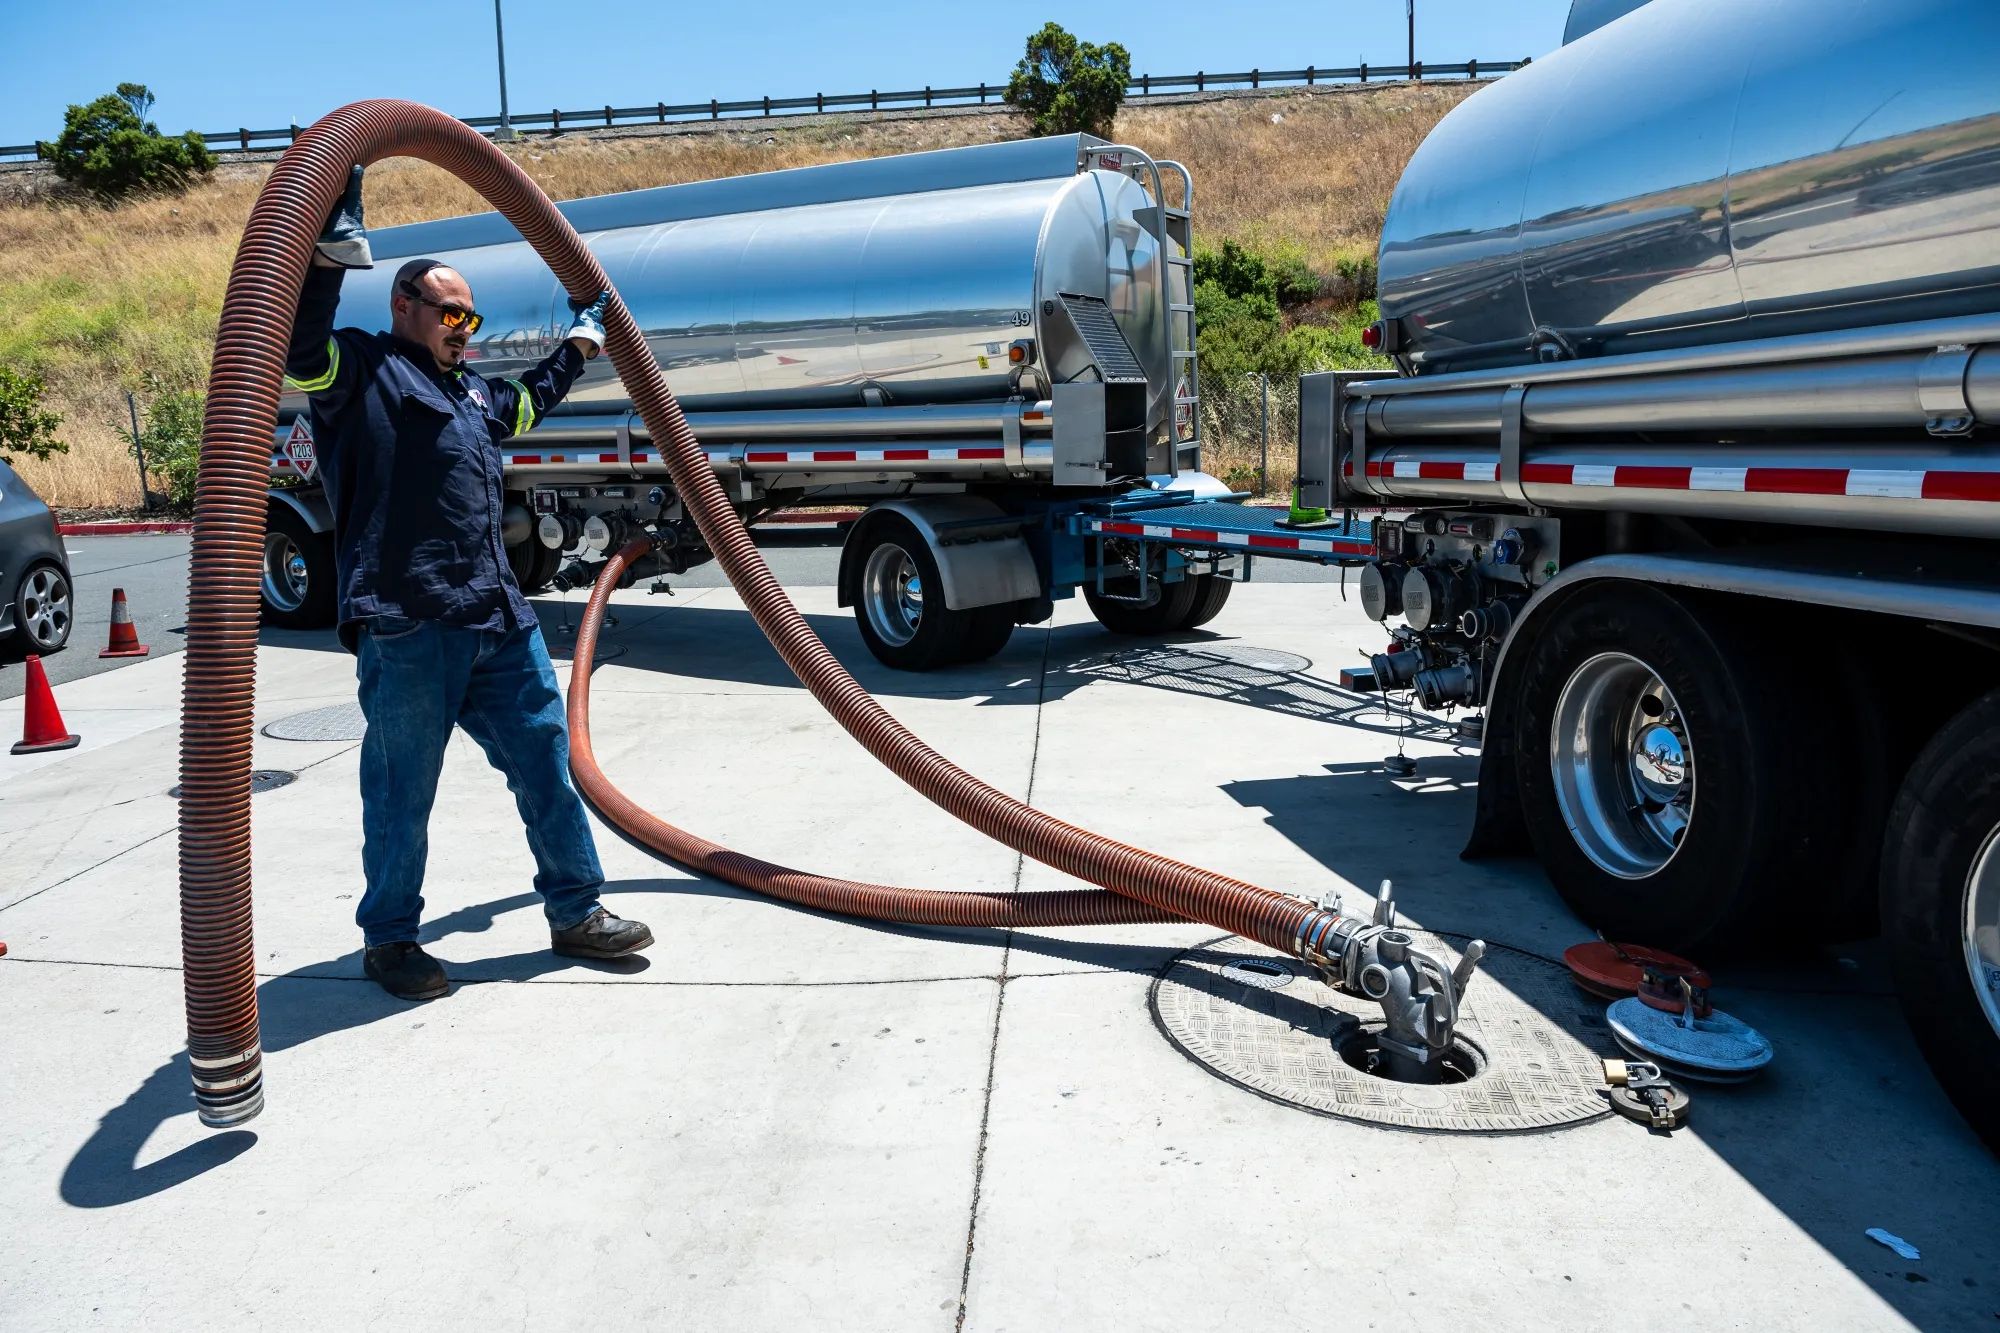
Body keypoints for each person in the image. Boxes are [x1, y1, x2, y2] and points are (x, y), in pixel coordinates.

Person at [285, 165, 651, 1001]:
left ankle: (576, 909)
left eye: (471, 315)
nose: (465, 327)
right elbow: (299, 350)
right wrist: (331, 258)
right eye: (451, 313)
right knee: (402, 793)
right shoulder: (361, 373)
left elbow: (527, 404)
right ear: (404, 309)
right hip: (409, 624)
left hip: (496, 615)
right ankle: (391, 941)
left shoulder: (471, 392)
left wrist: (582, 346)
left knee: (546, 765)